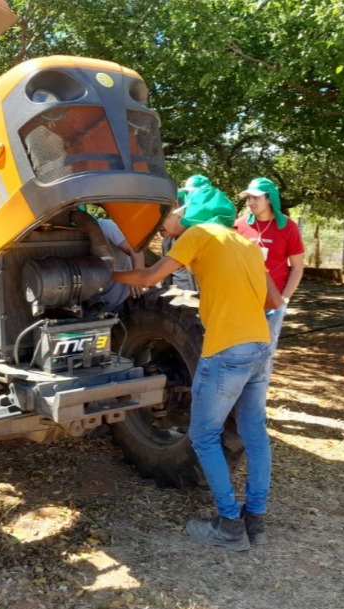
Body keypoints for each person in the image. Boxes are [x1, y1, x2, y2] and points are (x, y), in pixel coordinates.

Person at [114, 183, 281, 551]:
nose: (167, 217)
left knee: (204, 436)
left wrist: (106, 276)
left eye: (175, 210)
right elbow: (274, 298)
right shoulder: (247, 243)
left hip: (226, 350)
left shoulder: (199, 234)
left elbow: (146, 279)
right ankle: (255, 520)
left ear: (191, 214)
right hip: (259, 347)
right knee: (255, 434)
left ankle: (228, 525)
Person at [235, 177, 304, 358]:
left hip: (273, 301)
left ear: (269, 198)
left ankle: (258, 384)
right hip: (243, 299)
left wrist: (284, 299)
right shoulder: (240, 225)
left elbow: (297, 268)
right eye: (248, 198)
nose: (250, 202)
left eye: (255, 198)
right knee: (240, 348)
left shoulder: (288, 227)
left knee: (264, 351)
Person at [96, 216, 145, 312]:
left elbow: (136, 250)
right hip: (97, 304)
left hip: (124, 300)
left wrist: (137, 279)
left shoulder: (106, 227)